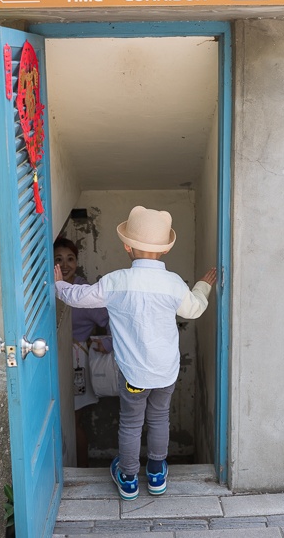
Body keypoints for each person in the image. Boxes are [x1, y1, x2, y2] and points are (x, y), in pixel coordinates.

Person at [54, 206, 216, 500]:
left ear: (127, 246)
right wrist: (203, 286)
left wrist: (59, 284)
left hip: (133, 374)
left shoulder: (116, 282)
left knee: (131, 422)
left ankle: (128, 477)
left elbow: (79, 297)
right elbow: (194, 308)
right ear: (164, 250)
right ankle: (156, 474)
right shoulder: (173, 283)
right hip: (166, 372)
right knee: (159, 419)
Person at [53, 237, 111, 467]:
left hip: (77, 361)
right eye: (59, 260)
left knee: (73, 420)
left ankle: (81, 471)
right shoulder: (44, 289)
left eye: (70, 259)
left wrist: (108, 344)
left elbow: (110, 321)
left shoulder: (84, 291)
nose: (65, 265)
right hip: (49, 360)